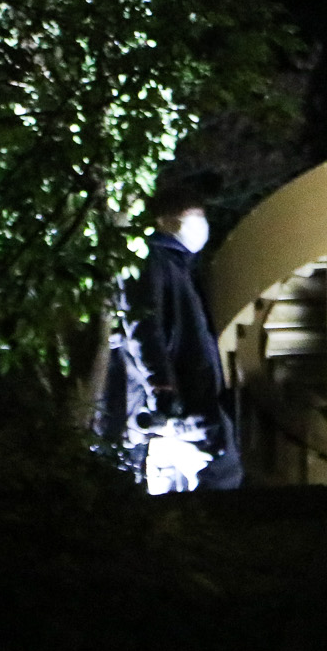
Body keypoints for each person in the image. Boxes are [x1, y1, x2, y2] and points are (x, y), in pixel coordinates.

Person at [103, 184, 243, 492]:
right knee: (217, 477)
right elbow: (143, 325)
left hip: (188, 401)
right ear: (163, 221)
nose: (199, 224)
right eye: (192, 216)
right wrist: (162, 392)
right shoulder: (150, 260)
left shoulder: (176, 267)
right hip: (176, 405)